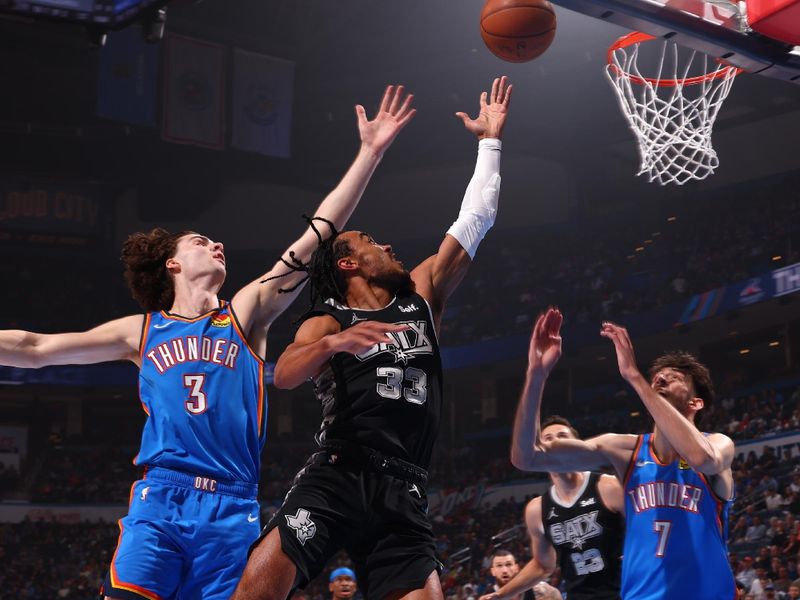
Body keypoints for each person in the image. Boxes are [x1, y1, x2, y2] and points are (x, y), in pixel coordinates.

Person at [0, 84, 416, 600]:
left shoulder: (246, 314)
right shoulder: (142, 329)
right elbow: (35, 349)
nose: (216, 243)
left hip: (231, 508)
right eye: (200, 241)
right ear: (171, 263)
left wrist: (369, 154)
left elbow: (316, 238)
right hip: (161, 500)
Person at [231, 76, 513, 600]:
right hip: (339, 472)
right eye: (371, 241)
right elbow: (285, 374)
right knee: (255, 589)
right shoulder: (329, 318)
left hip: (404, 489)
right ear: (348, 262)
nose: (385, 244)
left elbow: (477, 217)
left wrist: (489, 141)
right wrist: (335, 345)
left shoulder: (423, 293)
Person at [510, 308, 736, 599]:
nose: (661, 380)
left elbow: (702, 460)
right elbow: (527, 457)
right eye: (658, 377)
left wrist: (634, 376)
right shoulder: (626, 449)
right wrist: (536, 375)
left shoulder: (718, 443)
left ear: (696, 402)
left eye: (674, 377)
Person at [482, 417, 624, 600]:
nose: (555, 442)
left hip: (624, 593)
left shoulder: (608, 487)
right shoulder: (536, 510)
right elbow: (543, 566)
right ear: (540, 454)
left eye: (562, 436)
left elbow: (648, 531)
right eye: (547, 439)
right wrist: (501, 594)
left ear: (578, 446)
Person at [482, 548, 561, 600]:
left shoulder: (541, 591)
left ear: (516, 568)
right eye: (499, 566)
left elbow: (555, 595)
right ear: (493, 571)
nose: (504, 570)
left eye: (509, 564)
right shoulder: (487, 597)